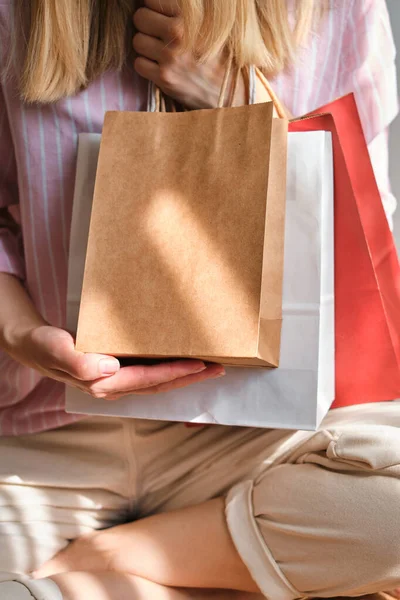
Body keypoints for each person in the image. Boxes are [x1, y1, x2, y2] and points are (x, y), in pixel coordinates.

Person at [0, 0, 399, 599]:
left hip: (255, 432)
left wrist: (241, 101)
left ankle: (126, 558)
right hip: (44, 437)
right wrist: (21, 333)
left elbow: (364, 233)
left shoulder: (334, 8)